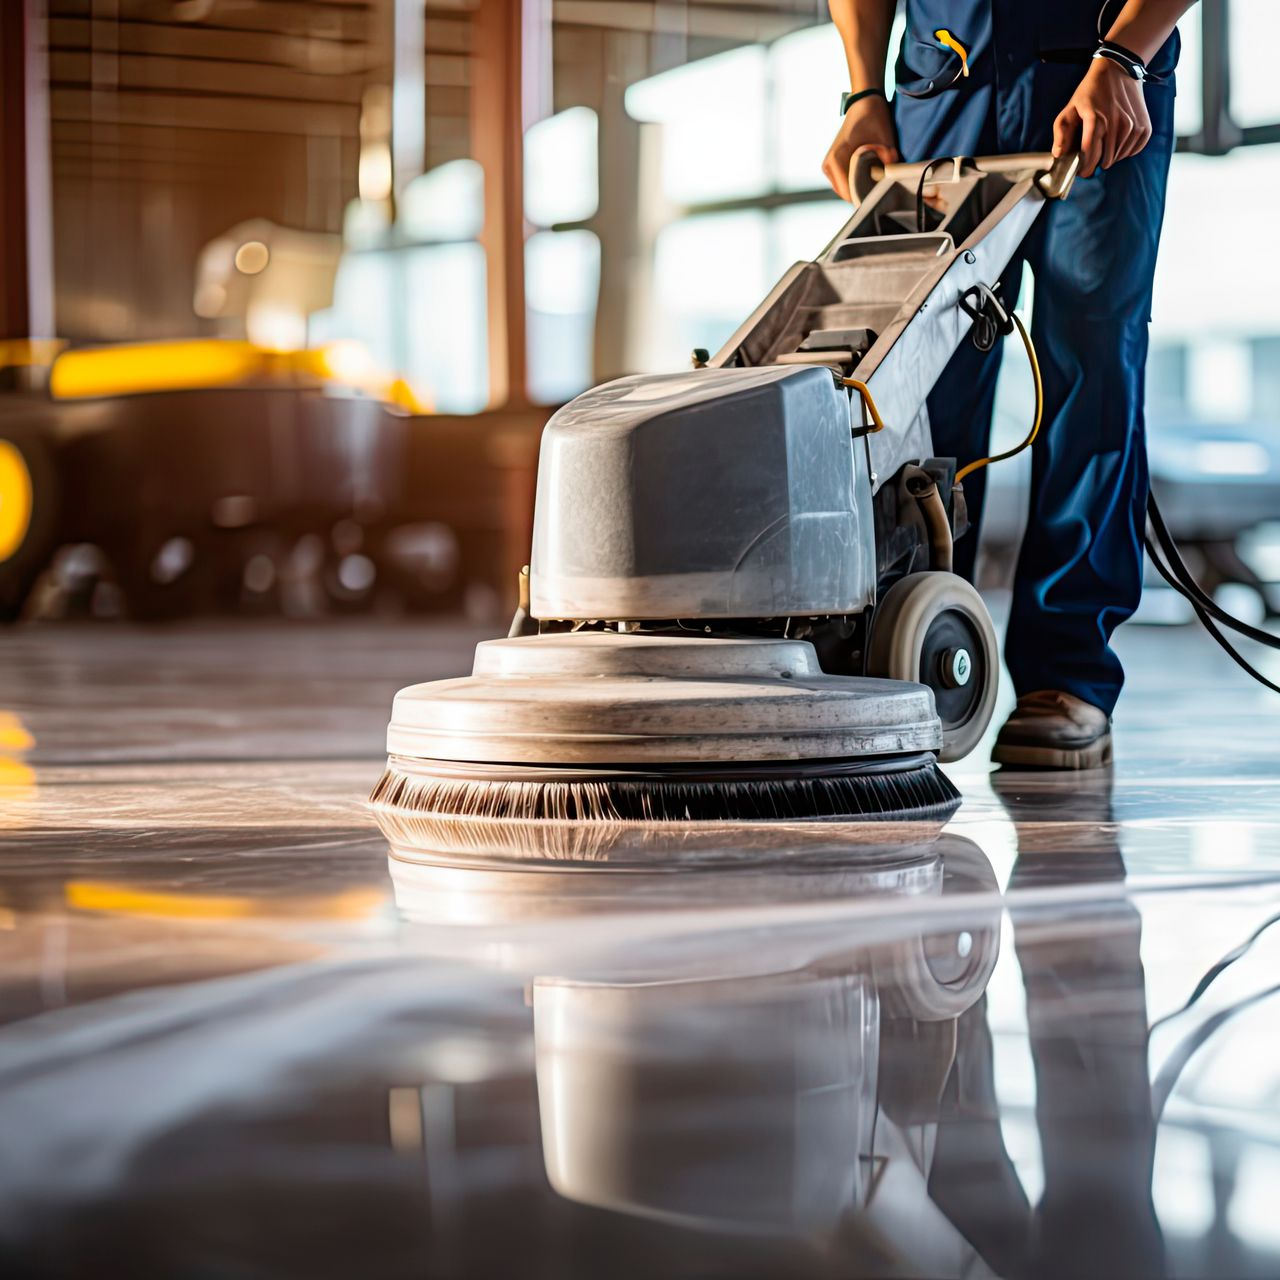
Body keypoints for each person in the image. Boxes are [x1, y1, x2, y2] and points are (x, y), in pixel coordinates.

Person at [823, 0, 1194, 769]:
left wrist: (1129, 53)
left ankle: (1067, 674)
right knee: (912, 387)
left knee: (1091, 374)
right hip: (943, 87)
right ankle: (912, 656)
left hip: (1100, 73)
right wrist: (863, 93)